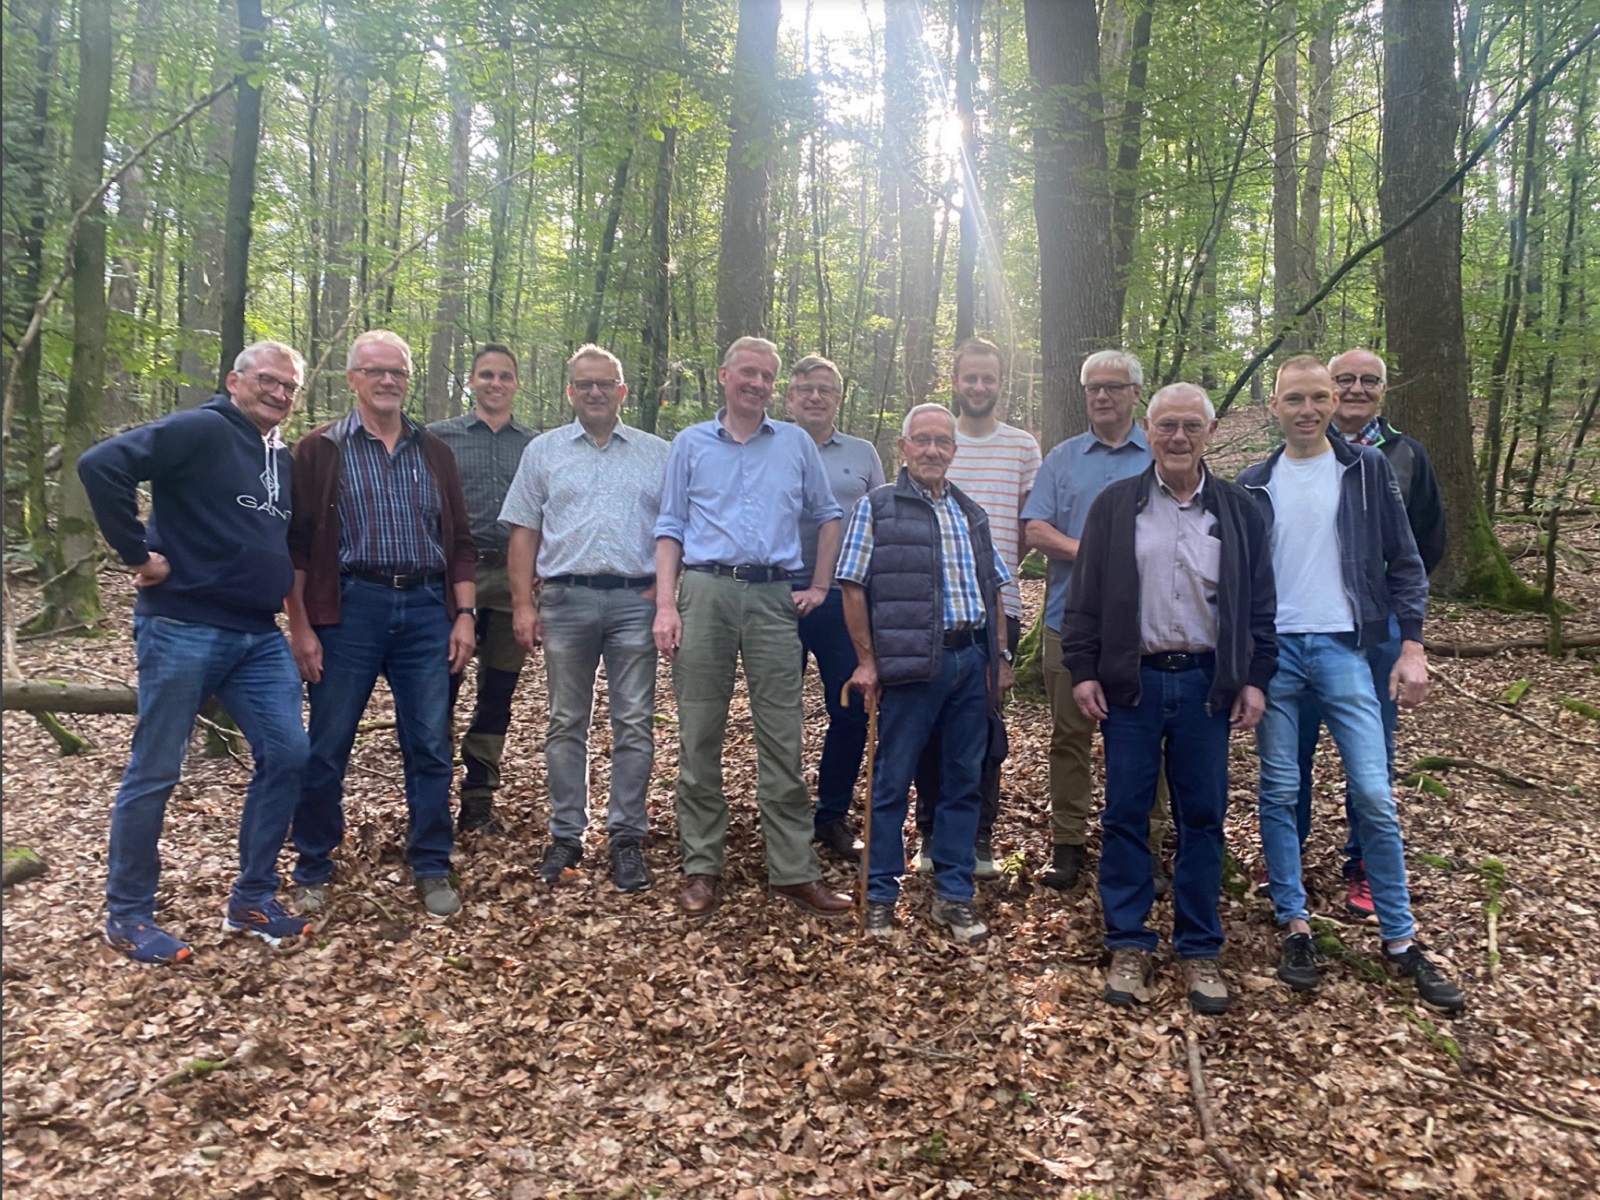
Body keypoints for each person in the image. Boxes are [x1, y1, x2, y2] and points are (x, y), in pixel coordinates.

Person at [1237, 355, 1465, 1013]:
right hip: (1277, 654)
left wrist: (1412, 647)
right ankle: (1295, 923)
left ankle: (1400, 938)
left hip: (1345, 650)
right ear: (1274, 406)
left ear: (1332, 404)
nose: (1307, 409)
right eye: (1294, 399)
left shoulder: (1364, 472)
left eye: (1317, 397)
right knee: (1280, 788)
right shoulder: (1254, 483)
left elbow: (1408, 561)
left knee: (1371, 789)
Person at [78, 340, 313, 962]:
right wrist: (135, 554)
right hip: (183, 624)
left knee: (289, 753)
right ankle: (128, 916)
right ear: (235, 381)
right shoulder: (201, 430)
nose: (279, 394)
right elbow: (101, 464)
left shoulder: (279, 458)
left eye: (290, 387)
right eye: (268, 381)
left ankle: (252, 899)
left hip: (258, 636)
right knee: (156, 768)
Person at [1061, 384, 1277, 1013]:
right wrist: (1083, 670)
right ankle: (1129, 940)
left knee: (1203, 819)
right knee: (1126, 814)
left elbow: (1262, 606)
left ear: (1210, 432)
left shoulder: (1239, 510)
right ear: (1147, 430)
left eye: (1191, 426)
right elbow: (1086, 601)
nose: (1178, 438)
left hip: (1209, 687)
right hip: (1134, 685)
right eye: (1166, 426)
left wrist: (1256, 677)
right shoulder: (1114, 506)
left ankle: (1200, 948)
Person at [652, 336, 853, 919]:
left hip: (773, 596)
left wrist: (819, 586)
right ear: (724, 376)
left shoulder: (793, 443)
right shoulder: (690, 444)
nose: (758, 384)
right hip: (706, 590)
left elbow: (828, 514)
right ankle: (701, 866)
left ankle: (793, 869)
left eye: (767, 376)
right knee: (699, 731)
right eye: (748, 373)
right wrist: (667, 606)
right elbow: (669, 526)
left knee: (782, 734)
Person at [285, 330, 478, 919]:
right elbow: (294, 548)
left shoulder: (434, 451)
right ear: (353, 380)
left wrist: (464, 614)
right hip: (349, 609)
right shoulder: (318, 450)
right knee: (327, 744)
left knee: (428, 744)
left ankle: (430, 864)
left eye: (397, 371)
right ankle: (313, 864)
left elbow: (461, 543)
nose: (387, 380)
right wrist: (301, 628)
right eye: (375, 371)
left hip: (425, 609)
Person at [839, 404, 1012, 944]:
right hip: (911, 665)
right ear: (904, 447)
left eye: (943, 441)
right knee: (891, 782)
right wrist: (867, 661)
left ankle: (954, 895)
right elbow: (852, 585)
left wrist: (1000, 658)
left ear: (954, 451)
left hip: (970, 662)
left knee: (963, 782)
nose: (933, 450)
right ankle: (882, 896)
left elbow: (994, 589)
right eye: (923, 441)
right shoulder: (877, 508)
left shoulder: (971, 512)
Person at [501, 344, 670, 893]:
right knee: (565, 720)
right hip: (566, 600)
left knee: (634, 722)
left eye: (605, 383)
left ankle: (627, 836)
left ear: (623, 391)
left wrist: (667, 592)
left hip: (633, 602)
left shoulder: (658, 454)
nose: (595, 392)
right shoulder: (543, 452)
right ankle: (567, 833)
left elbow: (678, 530)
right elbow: (524, 530)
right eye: (584, 384)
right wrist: (523, 603)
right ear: (569, 391)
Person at [1296, 348, 1447, 916]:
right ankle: (1290, 855)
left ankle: (1363, 864)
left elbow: (1426, 544)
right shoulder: (1294, 452)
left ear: (1384, 390)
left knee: (1372, 756)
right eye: (1345, 380)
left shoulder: (1407, 455)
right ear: (1330, 392)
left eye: (1369, 381)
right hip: (1303, 628)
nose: (1356, 389)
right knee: (1294, 750)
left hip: (1376, 633)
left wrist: (1399, 619)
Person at [1021, 349, 1172, 893]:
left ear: (1136, 392)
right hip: (1070, 624)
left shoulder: (1158, 453)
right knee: (1069, 736)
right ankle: (1067, 843)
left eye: (1113, 386)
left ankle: (1146, 847)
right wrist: (1095, 553)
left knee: (1145, 741)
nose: (1102, 396)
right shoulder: (1062, 459)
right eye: (1093, 388)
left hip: (1147, 629)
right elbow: (1035, 529)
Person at [910, 338, 1039, 879]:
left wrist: (999, 571)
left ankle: (979, 837)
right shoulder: (934, 438)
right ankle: (929, 836)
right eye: (971, 378)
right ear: (956, 381)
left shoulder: (1022, 447)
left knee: (984, 731)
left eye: (989, 378)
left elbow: (1028, 528)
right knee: (927, 728)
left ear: (1000, 383)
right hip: (924, 611)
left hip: (995, 611)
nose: (979, 387)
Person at [427, 344, 536, 836]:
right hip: (453, 582)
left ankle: (478, 798)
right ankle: (431, 793)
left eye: (505, 375)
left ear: (516, 383)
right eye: (486, 374)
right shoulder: (439, 439)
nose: (496, 383)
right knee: (440, 690)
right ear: (471, 380)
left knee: (498, 693)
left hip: (514, 582)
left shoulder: (536, 446)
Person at [785, 354, 885, 861]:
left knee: (850, 707)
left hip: (844, 599)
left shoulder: (863, 454)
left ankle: (831, 814)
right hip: (776, 594)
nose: (815, 396)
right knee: (776, 714)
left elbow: (880, 525)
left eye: (825, 389)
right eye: (805, 388)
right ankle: (780, 813)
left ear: (838, 398)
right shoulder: (769, 446)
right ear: (790, 396)